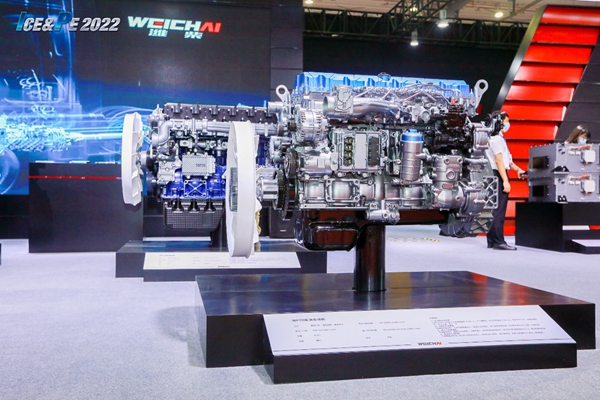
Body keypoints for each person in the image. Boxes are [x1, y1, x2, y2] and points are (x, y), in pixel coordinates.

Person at [486, 111, 526, 251]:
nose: (508, 124)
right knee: (498, 210)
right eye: (506, 121)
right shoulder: (496, 139)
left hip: (497, 174)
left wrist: (518, 170)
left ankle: (492, 240)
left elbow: (507, 160)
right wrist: (505, 181)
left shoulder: (497, 138)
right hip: (498, 175)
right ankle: (498, 241)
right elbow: (499, 161)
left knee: (494, 209)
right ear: (500, 122)